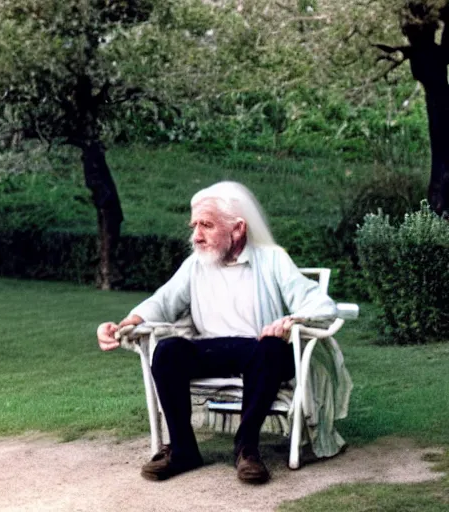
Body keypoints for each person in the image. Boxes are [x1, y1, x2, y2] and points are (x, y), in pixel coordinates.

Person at [97, 181, 337, 484]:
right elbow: (162, 301)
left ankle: (246, 447)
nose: (196, 235)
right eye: (194, 225)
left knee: (271, 348)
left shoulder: (273, 259)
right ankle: (183, 449)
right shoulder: (195, 264)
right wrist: (125, 324)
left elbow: (320, 303)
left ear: (237, 229)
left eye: (206, 225)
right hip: (212, 350)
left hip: (260, 353)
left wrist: (291, 320)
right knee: (168, 350)